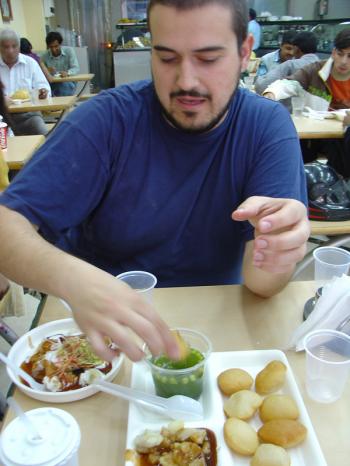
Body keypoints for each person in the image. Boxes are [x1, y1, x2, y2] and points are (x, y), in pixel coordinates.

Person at [0, 0, 309, 362]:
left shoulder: (265, 128)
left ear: (244, 54)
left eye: (208, 59)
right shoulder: (105, 121)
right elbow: (7, 225)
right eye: (166, 58)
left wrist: (279, 251)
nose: (186, 82)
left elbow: (261, 284)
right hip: (104, 338)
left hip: (218, 330)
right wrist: (71, 279)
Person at [263, 29, 350, 176]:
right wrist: (271, 93)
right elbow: (289, 84)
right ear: (333, 52)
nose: (343, 61)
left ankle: (338, 187)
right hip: (316, 136)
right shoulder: (316, 70)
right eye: (340, 54)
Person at [0, 29, 50, 136]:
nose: (10, 51)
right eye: (6, 47)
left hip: (28, 115)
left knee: (42, 133)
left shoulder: (30, 63)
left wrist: (43, 92)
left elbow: (44, 87)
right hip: (2, 117)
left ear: (19, 47)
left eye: (14, 46)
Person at [255, 31, 319, 96]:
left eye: (292, 49)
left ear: (296, 49)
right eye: (288, 48)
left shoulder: (291, 65)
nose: (291, 53)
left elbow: (261, 86)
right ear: (280, 46)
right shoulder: (324, 65)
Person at [41, 31, 80, 96]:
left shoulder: (69, 51)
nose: (53, 49)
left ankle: (60, 104)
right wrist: (46, 70)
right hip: (52, 83)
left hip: (68, 82)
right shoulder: (44, 56)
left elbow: (76, 68)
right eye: (51, 47)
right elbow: (40, 73)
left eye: (56, 46)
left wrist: (67, 73)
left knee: (62, 87)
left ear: (60, 44)